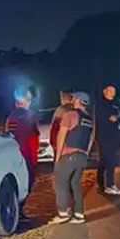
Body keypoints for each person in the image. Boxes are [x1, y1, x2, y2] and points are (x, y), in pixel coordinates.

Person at [51, 92, 94, 225]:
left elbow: (61, 135)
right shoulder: (89, 119)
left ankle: (63, 213)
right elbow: (91, 138)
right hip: (82, 156)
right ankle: (79, 214)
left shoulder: (70, 114)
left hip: (68, 154)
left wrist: (58, 156)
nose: (73, 99)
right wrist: (85, 153)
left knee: (60, 183)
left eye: (74, 98)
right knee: (75, 184)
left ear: (77, 100)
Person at [4, 86, 40, 191]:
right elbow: (34, 137)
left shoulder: (11, 116)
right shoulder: (31, 115)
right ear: (27, 101)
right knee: (29, 180)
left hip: (15, 153)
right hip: (27, 154)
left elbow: (8, 134)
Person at [94, 84, 120, 195]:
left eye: (114, 91)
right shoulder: (102, 105)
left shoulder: (115, 104)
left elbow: (118, 116)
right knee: (110, 161)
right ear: (104, 91)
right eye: (110, 90)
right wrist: (116, 117)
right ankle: (110, 185)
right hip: (105, 137)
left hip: (113, 137)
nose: (112, 92)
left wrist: (118, 117)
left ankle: (100, 184)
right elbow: (111, 118)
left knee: (103, 161)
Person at [49, 89, 75, 161]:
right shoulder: (76, 109)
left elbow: (54, 128)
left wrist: (53, 143)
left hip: (61, 143)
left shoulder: (61, 110)